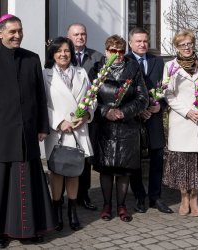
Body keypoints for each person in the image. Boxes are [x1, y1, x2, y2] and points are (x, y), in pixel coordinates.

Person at [0, 14, 57, 248]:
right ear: (0, 33)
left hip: (27, 133)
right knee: (0, 186)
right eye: (12, 32)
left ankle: (28, 229)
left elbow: (40, 95)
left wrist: (43, 126)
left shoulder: (32, 58)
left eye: (20, 31)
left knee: (27, 181)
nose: (18, 36)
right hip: (0, 133)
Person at [91, 34, 148, 222]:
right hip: (104, 127)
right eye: (113, 51)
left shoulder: (133, 68)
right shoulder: (97, 68)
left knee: (124, 169)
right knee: (106, 169)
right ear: (106, 51)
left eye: (121, 51)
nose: (118, 54)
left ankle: (122, 205)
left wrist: (123, 112)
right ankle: (107, 205)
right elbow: (89, 98)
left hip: (127, 126)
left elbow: (142, 98)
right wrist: (105, 110)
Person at [43, 37, 96, 231]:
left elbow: (92, 97)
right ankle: (57, 210)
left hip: (78, 129)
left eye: (67, 50)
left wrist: (87, 113)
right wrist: (58, 121)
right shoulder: (45, 74)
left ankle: (72, 211)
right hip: (58, 131)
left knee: (74, 172)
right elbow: (42, 104)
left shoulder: (81, 72)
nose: (63, 54)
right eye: (59, 51)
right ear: (53, 54)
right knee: (57, 172)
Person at [162, 30, 198, 217]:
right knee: (182, 163)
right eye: (182, 45)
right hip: (182, 120)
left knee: (197, 162)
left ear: (193, 45)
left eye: (189, 44)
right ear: (177, 47)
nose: (186, 48)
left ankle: (195, 198)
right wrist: (187, 111)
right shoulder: (170, 66)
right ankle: (184, 197)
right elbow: (168, 94)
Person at [127, 27, 173, 214]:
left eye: (145, 41)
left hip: (153, 118)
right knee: (135, 160)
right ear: (130, 43)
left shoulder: (158, 61)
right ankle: (139, 197)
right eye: (138, 41)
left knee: (157, 158)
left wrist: (159, 106)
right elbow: (122, 93)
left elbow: (165, 89)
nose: (142, 44)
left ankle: (156, 197)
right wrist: (138, 110)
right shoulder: (125, 61)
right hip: (133, 120)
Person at [67, 23, 104, 211]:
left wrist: (89, 112)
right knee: (66, 155)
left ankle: (84, 194)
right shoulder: (62, 55)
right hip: (66, 117)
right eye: (76, 34)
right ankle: (66, 195)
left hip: (88, 117)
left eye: (83, 33)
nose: (80, 37)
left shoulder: (97, 57)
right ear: (69, 36)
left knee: (85, 156)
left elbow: (100, 88)